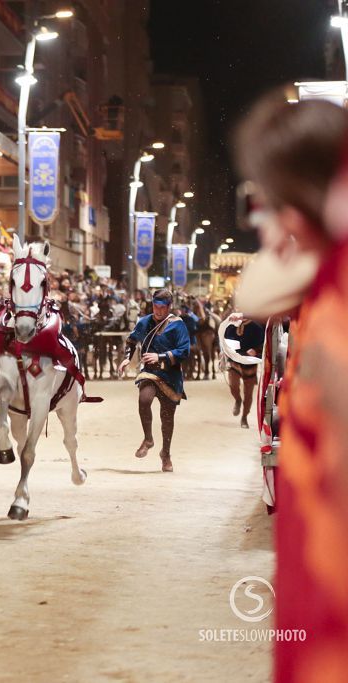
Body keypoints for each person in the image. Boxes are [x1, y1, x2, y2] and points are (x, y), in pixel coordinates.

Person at [233, 96, 348, 680]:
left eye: (268, 198)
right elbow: (254, 294)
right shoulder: (325, 278)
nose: (261, 219)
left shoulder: (338, 308)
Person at [117, 289, 190, 472]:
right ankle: (148, 439)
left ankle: (165, 453)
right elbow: (131, 341)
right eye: (155, 307)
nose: (158, 311)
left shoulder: (177, 325)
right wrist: (127, 357)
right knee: (144, 399)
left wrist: (162, 356)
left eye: (162, 308)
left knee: (167, 419)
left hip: (170, 375)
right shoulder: (144, 322)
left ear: (169, 307)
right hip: (149, 373)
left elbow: (184, 350)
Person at [222, 316, 265, 428]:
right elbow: (224, 341)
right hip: (234, 361)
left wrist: (256, 350)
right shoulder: (231, 325)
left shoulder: (257, 326)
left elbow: (264, 343)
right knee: (233, 385)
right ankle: (237, 399)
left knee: (248, 393)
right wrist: (225, 351)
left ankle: (244, 417)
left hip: (249, 363)